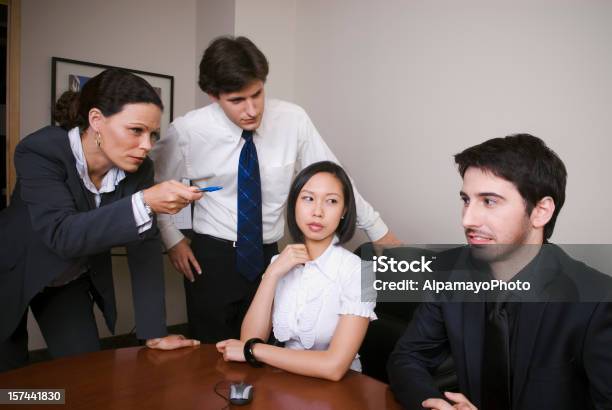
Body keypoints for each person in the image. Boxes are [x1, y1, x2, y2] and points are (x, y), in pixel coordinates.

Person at [150, 35, 399, 343]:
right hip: (212, 255)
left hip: (269, 254)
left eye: (257, 94)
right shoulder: (187, 131)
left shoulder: (293, 120)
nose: (252, 110)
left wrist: (379, 231)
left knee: (264, 347)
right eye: (237, 101)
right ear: (214, 96)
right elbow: (158, 187)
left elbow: (336, 178)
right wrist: (173, 239)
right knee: (210, 350)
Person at [387, 134, 612, 409]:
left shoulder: (598, 301)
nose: (467, 219)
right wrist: (433, 405)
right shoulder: (450, 273)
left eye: (489, 201)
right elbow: (408, 357)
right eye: (466, 200)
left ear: (541, 211)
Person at [0, 68, 202, 372]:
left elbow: (144, 245)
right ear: (96, 120)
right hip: (11, 270)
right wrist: (144, 202)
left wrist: (154, 332)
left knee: (85, 372)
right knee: (10, 380)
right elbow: (61, 233)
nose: (147, 145)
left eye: (153, 134)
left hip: (67, 278)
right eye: (136, 130)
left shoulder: (140, 170)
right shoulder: (41, 151)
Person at [215, 161, 376, 380]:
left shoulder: (361, 271)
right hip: (284, 380)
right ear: (294, 205)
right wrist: (272, 274)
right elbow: (250, 338)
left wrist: (255, 351)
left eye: (331, 201)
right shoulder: (279, 262)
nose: (317, 212)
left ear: (344, 210)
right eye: (308, 198)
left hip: (338, 390)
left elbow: (334, 367)